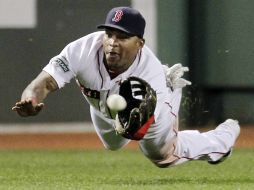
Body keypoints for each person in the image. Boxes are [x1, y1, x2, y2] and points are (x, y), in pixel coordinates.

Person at [12, 7, 240, 167]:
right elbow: (44, 82)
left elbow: (136, 132)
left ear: (140, 43)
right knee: (112, 145)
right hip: (102, 107)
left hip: (152, 104)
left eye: (122, 37)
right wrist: (31, 99)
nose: (112, 42)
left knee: (161, 155)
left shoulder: (149, 76)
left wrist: (131, 124)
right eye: (109, 34)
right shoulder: (82, 50)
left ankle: (221, 141)